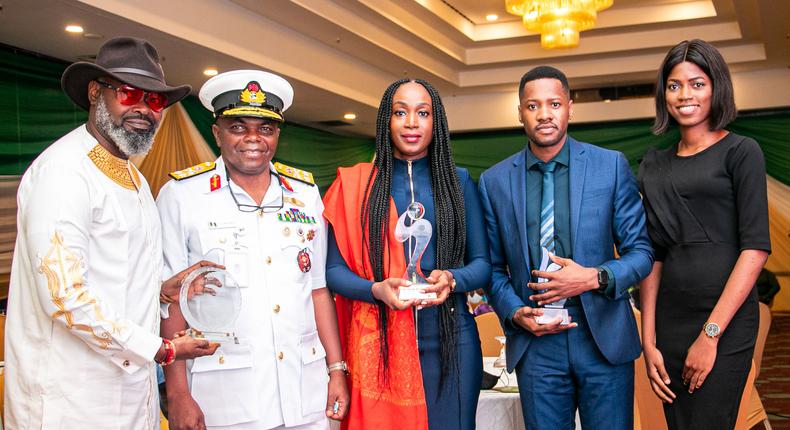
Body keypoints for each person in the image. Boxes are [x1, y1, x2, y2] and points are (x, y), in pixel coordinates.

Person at [4, 36, 219, 429]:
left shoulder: (133, 178)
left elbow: (113, 276)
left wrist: (162, 290)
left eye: (155, 100)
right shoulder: (64, 172)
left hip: (130, 392)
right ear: (94, 93)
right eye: (128, 93)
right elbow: (65, 296)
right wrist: (162, 349)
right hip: (69, 398)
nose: (144, 109)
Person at [157, 69, 348, 430]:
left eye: (265, 128)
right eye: (238, 127)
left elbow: (319, 290)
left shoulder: (305, 195)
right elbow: (171, 303)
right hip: (226, 395)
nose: (253, 139)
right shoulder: (181, 196)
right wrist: (179, 394)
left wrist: (336, 370)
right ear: (217, 133)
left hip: (306, 391)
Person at [478, 66, 654, 430]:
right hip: (537, 344)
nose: (544, 114)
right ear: (520, 112)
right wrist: (513, 312)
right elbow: (492, 268)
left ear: (570, 107)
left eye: (554, 103)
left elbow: (641, 252)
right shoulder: (494, 181)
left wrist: (593, 277)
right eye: (533, 105)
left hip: (601, 337)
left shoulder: (610, 166)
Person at [323, 79, 491, 430]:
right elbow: (334, 271)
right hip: (380, 343)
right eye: (400, 112)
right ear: (387, 120)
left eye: (422, 113)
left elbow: (483, 265)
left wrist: (452, 279)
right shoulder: (358, 184)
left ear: (436, 122)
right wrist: (376, 289)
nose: (411, 122)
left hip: (451, 341)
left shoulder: (458, 183)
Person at [637, 39, 771, 430]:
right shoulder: (654, 163)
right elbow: (653, 256)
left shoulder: (741, 152)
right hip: (669, 323)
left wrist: (710, 335)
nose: (684, 95)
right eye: (674, 85)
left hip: (724, 324)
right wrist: (648, 341)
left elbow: (756, 249)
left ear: (717, 87)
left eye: (697, 84)